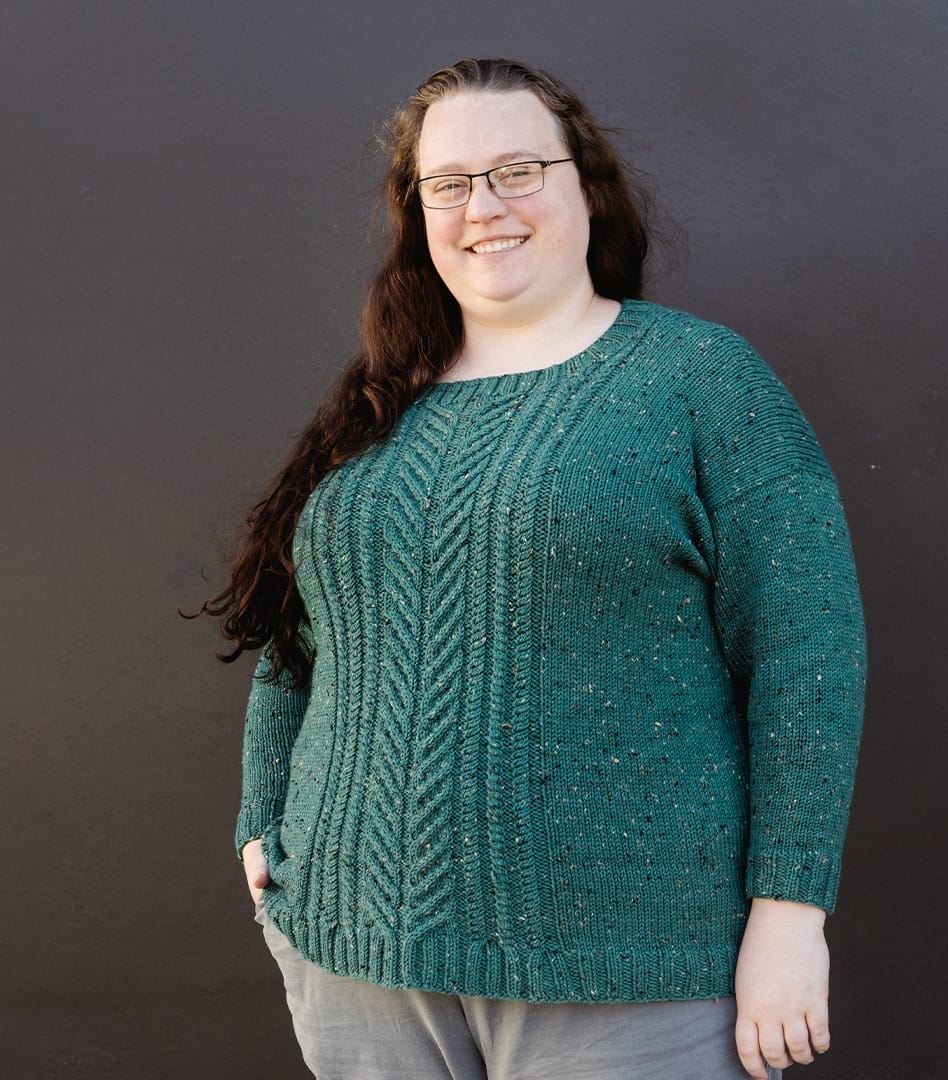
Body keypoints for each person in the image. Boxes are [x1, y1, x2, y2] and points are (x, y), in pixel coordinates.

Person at [204, 57, 867, 1080]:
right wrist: (262, 823)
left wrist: (791, 912)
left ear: (585, 186)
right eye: (449, 184)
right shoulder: (377, 404)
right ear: (418, 212)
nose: (484, 207)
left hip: (631, 970)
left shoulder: (701, 382)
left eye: (518, 170)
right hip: (351, 956)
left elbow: (807, 653)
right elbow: (303, 640)